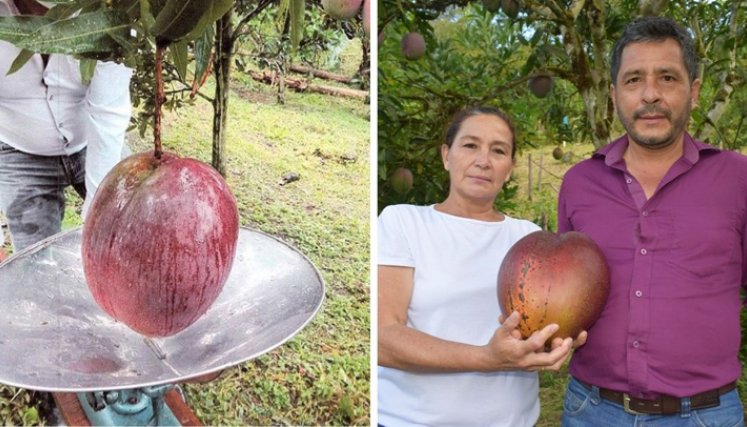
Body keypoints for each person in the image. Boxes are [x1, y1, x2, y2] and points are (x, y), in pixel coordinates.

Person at [558, 16, 747, 426]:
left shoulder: (737, 179)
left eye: (667, 78)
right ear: (613, 93)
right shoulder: (578, 183)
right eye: (633, 80)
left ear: (693, 92)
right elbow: (562, 293)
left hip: (705, 415)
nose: (650, 95)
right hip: (591, 410)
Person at [378, 106, 584, 427]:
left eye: (498, 150)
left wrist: (560, 335)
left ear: (510, 168)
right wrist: (486, 358)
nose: (483, 160)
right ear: (446, 155)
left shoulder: (529, 237)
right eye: (470, 145)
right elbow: (382, 336)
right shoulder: (403, 222)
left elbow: (544, 322)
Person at [0, 0, 133, 252]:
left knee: (131, 232)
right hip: (18, 150)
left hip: (92, 137)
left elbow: (108, 110)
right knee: (36, 264)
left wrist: (99, 215)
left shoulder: (108, 11)